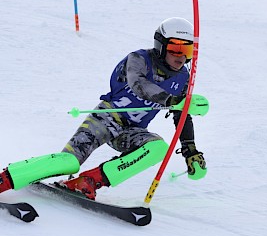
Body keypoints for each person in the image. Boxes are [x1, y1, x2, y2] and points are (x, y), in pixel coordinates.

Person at [0, 17, 207, 200]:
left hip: (131, 131)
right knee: (68, 163)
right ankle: (5, 179)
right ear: (160, 46)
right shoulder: (139, 59)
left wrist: (190, 151)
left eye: (186, 50)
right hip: (106, 119)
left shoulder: (182, 78)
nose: (180, 56)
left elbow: (181, 115)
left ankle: (88, 181)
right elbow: (139, 84)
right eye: (175, 48)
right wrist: (171, 99)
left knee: (158, 148)